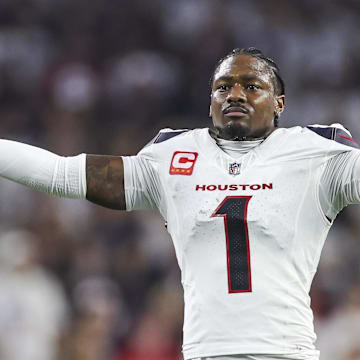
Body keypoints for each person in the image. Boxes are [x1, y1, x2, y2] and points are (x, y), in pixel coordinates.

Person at [0, 47, 359, 360]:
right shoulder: (172, 156)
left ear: (279, 103)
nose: (235, 94)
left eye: (251, 85)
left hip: (286, 351)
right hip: (204, 352)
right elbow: (64, 174)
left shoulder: (317, 154)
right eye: (223, 86)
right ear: (210, 101)